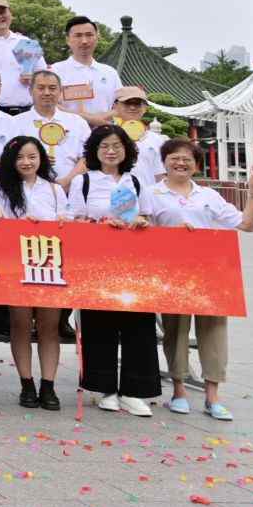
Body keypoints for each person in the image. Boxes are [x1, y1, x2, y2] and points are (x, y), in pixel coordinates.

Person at [144, 139, 253, 421]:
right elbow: (142, 229)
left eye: (187, 159)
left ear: (196, 165)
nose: (180, 163)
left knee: (214, 332)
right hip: (172, 272)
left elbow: (246, 225)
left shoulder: (208, 195)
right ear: (164, 162)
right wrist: (169, 234)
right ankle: (179, 391)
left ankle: (213, 396)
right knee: (176, 331)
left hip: (210, 271)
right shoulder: (151, 193)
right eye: (174, 158)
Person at [67, 124, 159, 417]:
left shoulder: (137, 181)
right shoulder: (83, 182)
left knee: (138, 324)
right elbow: (73, 221)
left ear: (126, 150)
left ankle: (135, 390)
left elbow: (147, 217)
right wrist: (100, 225)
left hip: (134, 264)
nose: (110, 151)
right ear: (94, 151)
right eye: (104, 146)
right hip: (97, 263)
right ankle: (104, 388)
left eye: (116, 146)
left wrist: (141, 222)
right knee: (99, 324)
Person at [0, 134, 68, 410]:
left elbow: (68, 220)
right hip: (16, 264)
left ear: (41, 159)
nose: (26, 162)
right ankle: (27, 383)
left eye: (32, 156)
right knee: (20, 325)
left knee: (49, 327)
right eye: (20, 157)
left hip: (49, 263)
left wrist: (62, 221)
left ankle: (49, 385)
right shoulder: (0, 189)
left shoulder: (54, 190)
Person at [15, 70, 91, 181]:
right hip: (28, 186)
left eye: (52, 88)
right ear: (30, 91)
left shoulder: (78, 122)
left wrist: (66, 182)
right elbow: (8, 159)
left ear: (60, 91)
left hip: (72, 187)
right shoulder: (15, 123)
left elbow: (88, 157)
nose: (47, 93)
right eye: (41, 88)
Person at [51, 16, 120, 125]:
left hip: (104, 131)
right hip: (67, 130)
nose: (84, 41)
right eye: (78, 36)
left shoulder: (110, 72)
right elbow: (49, 104)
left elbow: (121, 105)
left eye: (89, 35)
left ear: (97, 38)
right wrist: (88, 119)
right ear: (68, 40)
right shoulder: (54, 71)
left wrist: (101, 118)